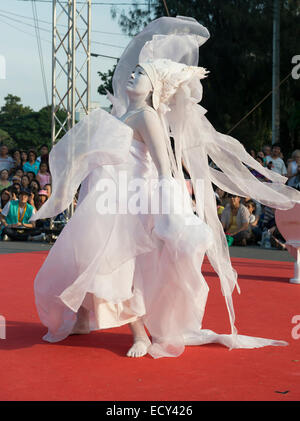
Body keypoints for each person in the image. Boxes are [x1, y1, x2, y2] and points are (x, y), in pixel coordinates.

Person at [30, 16, 300, 359]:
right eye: (135, 70)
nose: (132, 74)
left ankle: (140, 333)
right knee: (90, 258)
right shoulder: (124, 114)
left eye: (141, 73)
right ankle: (84, 316)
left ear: (156, 88)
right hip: (109, 200)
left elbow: (164, 165)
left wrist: (170, 209)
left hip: (133, 203)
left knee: (123, 266)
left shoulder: (147, 117)